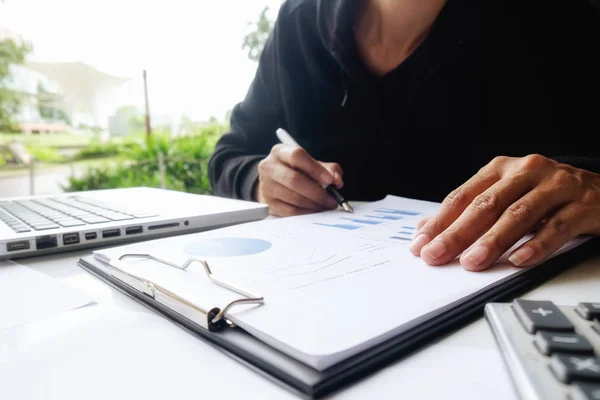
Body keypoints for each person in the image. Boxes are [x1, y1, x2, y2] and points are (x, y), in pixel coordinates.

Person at [208, 0, 600, 272]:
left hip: (507, 304)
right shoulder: (299, 22)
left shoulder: (558, 19)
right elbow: (230, 155)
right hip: (310, 298)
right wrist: (262, 183)